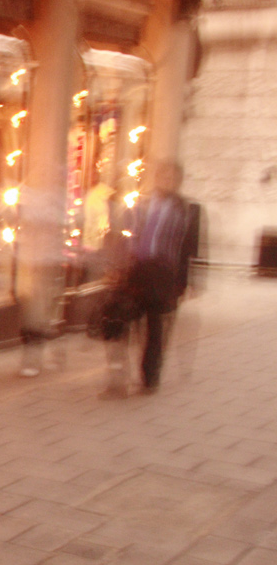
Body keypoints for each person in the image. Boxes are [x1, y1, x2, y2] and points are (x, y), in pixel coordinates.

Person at [105, 160, 200, 394]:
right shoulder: (142, 202)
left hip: (162, 275)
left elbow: (190, 248)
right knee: (118, 321)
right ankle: (118, 379)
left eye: (172, 178)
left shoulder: (187, 210)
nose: (166, 181)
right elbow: (124, 232)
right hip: (136, 271)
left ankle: (150, 377)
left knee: (154, 328)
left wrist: (184, 283)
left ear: (178, 182)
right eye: (163, 176)